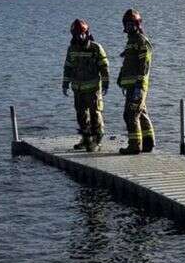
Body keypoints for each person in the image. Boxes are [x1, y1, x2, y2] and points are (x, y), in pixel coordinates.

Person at [62, 19, 110, 152]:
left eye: (82, 34)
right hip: (78, 89)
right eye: (76, 34)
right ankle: (86, 138)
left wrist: (105, 83)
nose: (79, 37)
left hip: (93, 88)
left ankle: (97, 140)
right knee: (81, 115)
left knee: (95, 114)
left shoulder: (95, 48)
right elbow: (68, 67)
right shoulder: (71, 49)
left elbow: (104, 67)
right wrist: (65, 84)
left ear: (87, 33)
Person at [117, 9, 154, 155]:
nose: (128, 27)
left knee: (130, 115)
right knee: (141, 113)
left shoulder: (141, 41)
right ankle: (148, 143)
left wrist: (139, 86)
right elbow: (128, 63)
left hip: (138, 86)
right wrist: (121, 79)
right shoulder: (131, 41)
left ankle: (134, 145)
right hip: (131, 85)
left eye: (131, 24)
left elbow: (144, 66)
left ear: (138, 25)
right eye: (127, 25)